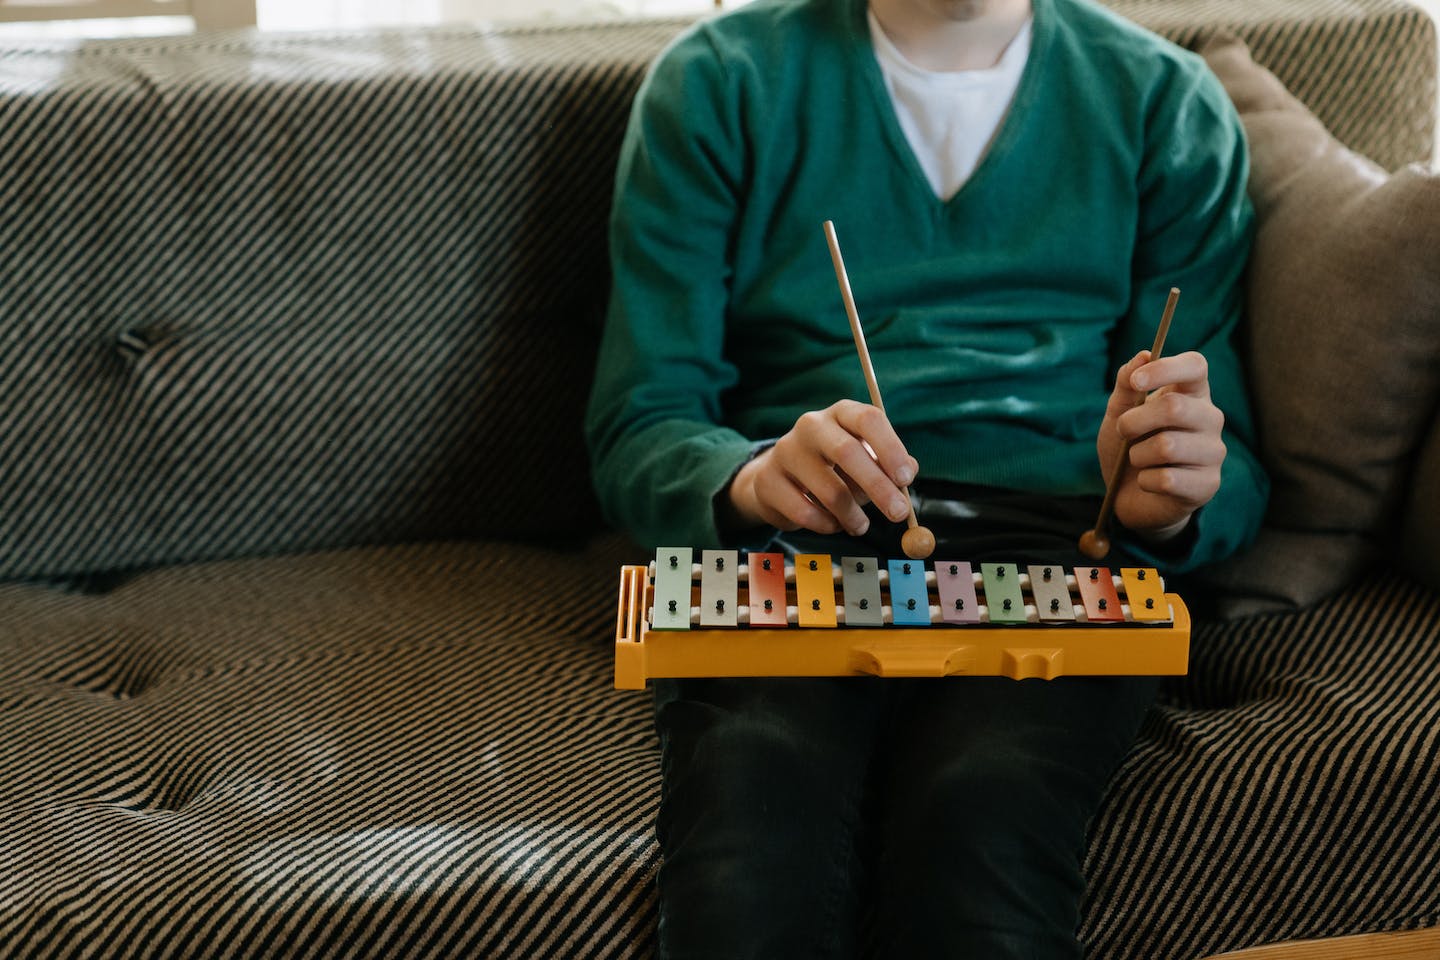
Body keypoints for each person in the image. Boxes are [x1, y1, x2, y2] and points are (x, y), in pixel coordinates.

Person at [585, 0, 1269, 954]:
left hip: (1064, 547)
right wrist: (747, 481)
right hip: (793, 540)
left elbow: (1230, 463)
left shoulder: (1166, 106)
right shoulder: (717, 82)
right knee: (751, 821)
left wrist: (1171, 498)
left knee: (986, 817)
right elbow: (639, 421)